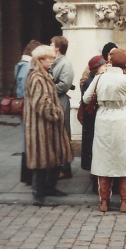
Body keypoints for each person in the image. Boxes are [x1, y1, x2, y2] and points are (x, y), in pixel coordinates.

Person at [83, 48, 126, 212]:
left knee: (104, 159)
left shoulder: (99, 78)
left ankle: (104, 202)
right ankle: (125, 202)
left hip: (104, 119)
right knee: (125, 159)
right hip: (125, 120)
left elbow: (86, 98)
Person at [24, 45, 73, 205]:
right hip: (41, 127)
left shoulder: (43, 74)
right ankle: (38, 195)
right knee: (41, 161)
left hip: (49, 126)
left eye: (52, 58)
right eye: (49, 58)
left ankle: (49, 188)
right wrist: (57, 113)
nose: (52, 61)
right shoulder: (37, 77)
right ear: (40, 60)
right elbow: (41, 104)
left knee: (55, 159)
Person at [80, 55, 108, 194]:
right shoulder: (91, 82)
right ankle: (95, 185)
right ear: (97, 68)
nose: (106, 67)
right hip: (92, 121)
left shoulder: (96, 79)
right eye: (104, 66)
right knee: (94, 152)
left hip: (94, 120)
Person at [15, 40, 41, 187]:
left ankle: (27, 176)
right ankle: (28, 176)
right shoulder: (27, 67)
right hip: (26, 108)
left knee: (27, 141)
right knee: (29, 141)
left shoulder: (21, 65)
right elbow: (26, 91)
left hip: (24, 107)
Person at [50, 36, 75, 180]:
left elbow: (64, 85)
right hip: (54, 100)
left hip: (60, 101)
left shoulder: (65, 63)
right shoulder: (54, 61)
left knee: (63, 133)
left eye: (51, 44)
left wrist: (49, 87)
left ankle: (65, 168)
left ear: (58, 47)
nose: (50, 45)